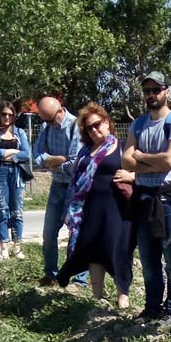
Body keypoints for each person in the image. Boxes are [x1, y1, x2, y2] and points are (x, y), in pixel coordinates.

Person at [57, 103, 137, 308]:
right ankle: (97, 297)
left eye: (97, 124)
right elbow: (76, 181)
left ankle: (123, 299)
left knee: (118, 249)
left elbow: (144, 171)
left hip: (116, 209)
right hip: (90, 209)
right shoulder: (85, 151)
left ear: (108, 122)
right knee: (93, 250)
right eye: (89, 127)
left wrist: (131, 175)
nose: (94, 129)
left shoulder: (121, 146)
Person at [124, 74, 171, 324]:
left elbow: (170, 159)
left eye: (156, 89)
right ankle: (152, 307)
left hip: (169, 196)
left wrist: (140, 158)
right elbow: (125, 161)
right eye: (147, 90)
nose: (151, 94)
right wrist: (152, 162)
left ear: (166, 91)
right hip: (143, 196)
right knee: (149, 260)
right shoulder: (137, 124)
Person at [33, 95, 81, 286]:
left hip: (75, 186)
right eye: (45, 121)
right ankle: (51, 274)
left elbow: (74, 162)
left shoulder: (75, 126)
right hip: (57, 185)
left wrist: (51, 162)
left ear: (60, 111)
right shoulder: (46, 127)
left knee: (75, 233)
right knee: (49, 232)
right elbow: (36, 157)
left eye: (51, 120)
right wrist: (60, 159)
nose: (48, 124)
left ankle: (79, 278)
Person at [0, 100, 32, 259]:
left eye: (10, 115)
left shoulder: (20, 133)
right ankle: (3, 245)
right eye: (4, 114)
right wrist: (12, 151)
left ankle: (17, 246)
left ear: (14, 116)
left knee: (17, 210)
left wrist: (6, 154)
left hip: (16, 174)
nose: (6, 117)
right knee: (2, 210)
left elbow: (26, 154)